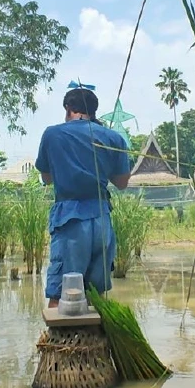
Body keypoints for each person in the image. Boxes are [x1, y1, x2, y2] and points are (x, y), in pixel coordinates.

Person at [35, 86, 131, 309]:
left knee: (62, 292)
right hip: (102, 220)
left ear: (69, 109)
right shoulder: (114, 138)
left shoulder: (52, 134)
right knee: (95, 295)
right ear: (94, 111)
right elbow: (122, 183)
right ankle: (93, 343)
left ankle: (61, 343)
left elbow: (46, 177)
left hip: (70, 220)